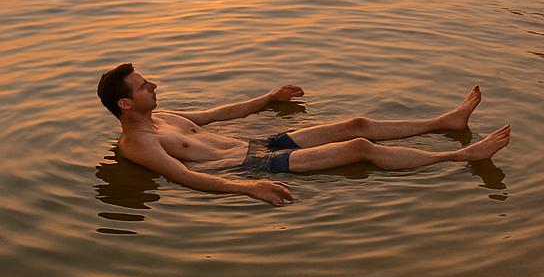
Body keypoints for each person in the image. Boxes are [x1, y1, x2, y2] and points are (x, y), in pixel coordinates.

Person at [97, 63, 511, 206]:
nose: (154, 85)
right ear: (126, 103)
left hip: (259, 145)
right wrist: (249, 187)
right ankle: (461, 156)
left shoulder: (164, 117)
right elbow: (185, 176)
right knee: (360, 147)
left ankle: (447, 122)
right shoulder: (138, 144)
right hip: (253, 164)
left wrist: (268, 98)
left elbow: (216, 114)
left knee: (356, 125)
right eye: (144, 86)